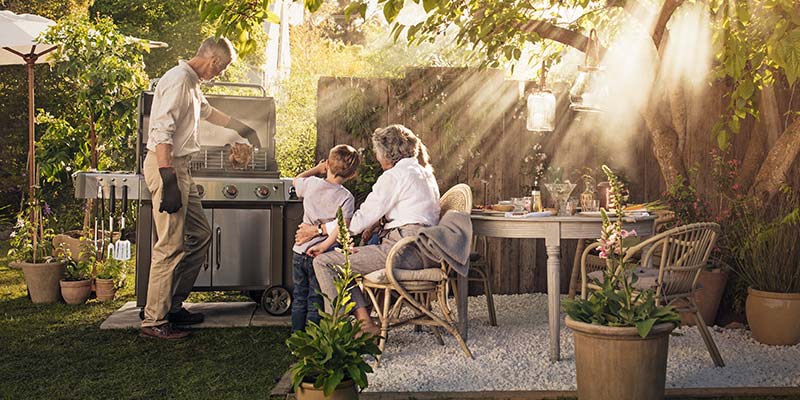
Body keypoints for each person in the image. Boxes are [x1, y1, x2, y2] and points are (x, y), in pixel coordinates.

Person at [140, 37, 260, 340]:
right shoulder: (179, 80)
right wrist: (168, 179)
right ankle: (154, 320)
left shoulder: (191, 83)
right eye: (222, 69)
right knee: (169, 245)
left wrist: (242, 128)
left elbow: (207, 112)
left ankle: (172, 305)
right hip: (166, 165)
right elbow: (162, 130)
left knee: (201, 235)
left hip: (181, 168)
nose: (219, 74)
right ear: (214, 61)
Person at [295, 124, 439, 336]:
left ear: (386, 153)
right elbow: (407, 211)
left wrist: (318, 230)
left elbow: (357, 221)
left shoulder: (393, 176)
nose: (377, 157)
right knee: (345, 259)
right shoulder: (422, 171)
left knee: (325, 261)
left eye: (377, 153)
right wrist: (376, 225)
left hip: (404, 252)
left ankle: (337, 331)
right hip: (424, 249)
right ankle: (365, 322)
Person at [290, 145, 361, 332]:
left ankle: (296, 340)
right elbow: (341, 227)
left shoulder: (312, 183)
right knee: (315, 298)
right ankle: (311, 341)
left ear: (327, 164)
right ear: (352, 175)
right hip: (322, 256)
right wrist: (324, 246)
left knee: (299, 297)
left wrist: (317, 168)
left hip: (299, 251)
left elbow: (296, 180)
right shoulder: (346, 197)